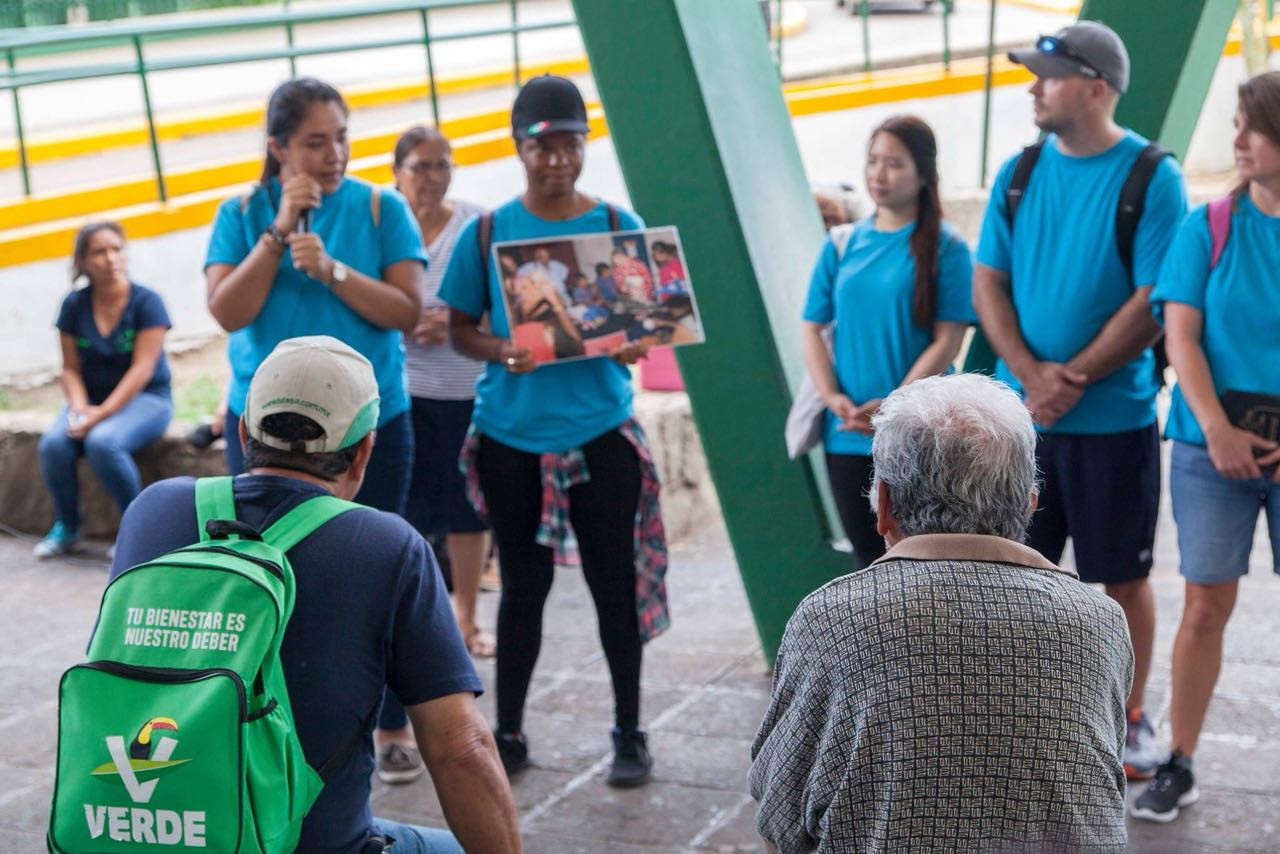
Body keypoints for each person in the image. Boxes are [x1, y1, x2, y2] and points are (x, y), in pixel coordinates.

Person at [109, 336, 522, 853]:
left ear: (241, 429)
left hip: (141, 831)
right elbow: (460, 748)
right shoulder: (387, 545)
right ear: (365, 451)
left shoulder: (154, 509)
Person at [750, 373, 1133, 853]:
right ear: (1029, 506)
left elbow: (780, 812)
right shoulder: (1100, 621)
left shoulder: (829, 616)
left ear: (883, 505)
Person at [439, 74, 668, 787]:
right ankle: (508, 731)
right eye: (543, 145)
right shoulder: (488, 231)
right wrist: (501, 351)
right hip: (512, 435)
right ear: (518, 146)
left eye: (570, 142)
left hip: (601, 430)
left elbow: (649, 325)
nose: (557, 158)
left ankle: (629, 731)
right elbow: (459, 330)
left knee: (613, 585)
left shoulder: (618, 224)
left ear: (584, 143)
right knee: (524, 586)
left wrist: (636, 342)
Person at [972, 21, 1187, 780]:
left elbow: (1154, 297)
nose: (1033, 87)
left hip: (1113, 420)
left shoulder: (1152, 176)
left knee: (1121, 577)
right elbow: (987, 282)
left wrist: (1072, 378)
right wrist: (1030, 375)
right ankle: (1023, 713)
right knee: (1009, 572)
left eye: (1049, 75)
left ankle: (1126, 717)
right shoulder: (1019, 172)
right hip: (1021, 423)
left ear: (1096, 88)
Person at [1132, 71, 1280, 823]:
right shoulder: (1210, 225)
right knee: (1203, 607)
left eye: (1252, 126)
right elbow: (1180, 336)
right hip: (1207, 450)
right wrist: (1218, 428)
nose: (1238, 141)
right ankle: (1179, 760)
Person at [204, 77, 427, 516]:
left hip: (366, 422)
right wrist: (277, 232)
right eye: (316, 142)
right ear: (279, 148)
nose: (335, 154)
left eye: (342, 137)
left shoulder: (384, 208)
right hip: (266, 425)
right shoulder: (241, 213)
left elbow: (407, 313)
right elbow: (228, 313)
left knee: (368, 560)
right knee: (273, 557)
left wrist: (333, 273)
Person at [801, 115, 975, 568]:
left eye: (894, 163)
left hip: (921, 433)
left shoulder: (948, 248)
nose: (879, 174)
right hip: (848, 435)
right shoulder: (842, 244)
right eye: (873, 161)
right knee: (868, 567)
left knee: (928, 563)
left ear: (923, 173)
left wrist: (896, 405)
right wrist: (834, 399)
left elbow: (948, 339)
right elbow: (812, 329)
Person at [36, 222, 173, 559]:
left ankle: (139, 531)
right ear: (83, 261)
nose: (111, 258)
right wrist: (81, 409)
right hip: (92, 400)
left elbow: (142, 370)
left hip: (147, 399)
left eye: (116, 249)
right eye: (100, 251)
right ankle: (67, 527)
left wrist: (103, 414)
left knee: (103, 442)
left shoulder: (147, 302)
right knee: (53, 444)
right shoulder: (73, 306)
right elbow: (69, 368)